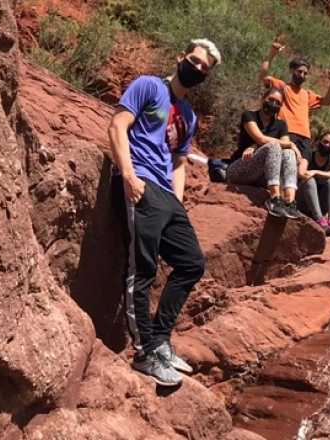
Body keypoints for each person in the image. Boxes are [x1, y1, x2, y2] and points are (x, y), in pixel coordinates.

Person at [109, 38, 218, 386]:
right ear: (180, 57)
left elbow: (179, 162)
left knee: (191, 263)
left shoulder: (188, 116)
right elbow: (118, 126)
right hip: (139, 179)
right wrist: (128, 174)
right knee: (142, 266)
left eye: (204, 68)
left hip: (166, 196)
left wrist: (178, 202)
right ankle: (144, 354)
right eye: (195, 61)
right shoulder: (148, 86)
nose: (197, 69)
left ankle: (160, 340)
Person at [225, 88, 303, 219]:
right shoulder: (249, 116)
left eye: (278, 102)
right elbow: (260, 138)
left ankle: (290, 201)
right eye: (270, 100)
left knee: (288, 153)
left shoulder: (281, 125)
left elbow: (285, 146)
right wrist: (291, 144)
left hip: (262, 176)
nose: (273, 104)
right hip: (240, 169)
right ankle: (275, 199)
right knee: (274, 146)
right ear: (263, 99)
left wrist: (289, 146)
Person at [259, 37, 330, 157]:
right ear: (292, 71)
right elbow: (263, 75)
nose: (302, 75)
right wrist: (272, 53)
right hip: (287, 132)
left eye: (305, 73)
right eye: (299, 71)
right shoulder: (282, 87)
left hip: (305, 137)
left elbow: (326, 101)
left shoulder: (307, 94)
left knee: (299, 169)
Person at [299, 131, 330, 237]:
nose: (327, 145)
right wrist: (328, 174)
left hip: (321, 204)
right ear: (319, 141)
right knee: (310, 180)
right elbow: (301, 173)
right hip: (303, 202)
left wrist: (315, 172)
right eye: (325, 142)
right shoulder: (309, 153)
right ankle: (319, 219)